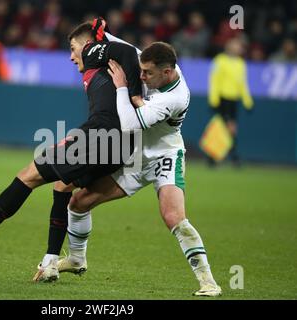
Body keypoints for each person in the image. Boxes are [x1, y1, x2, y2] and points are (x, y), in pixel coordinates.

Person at [0, 21, 142, 275]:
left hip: (102, 137)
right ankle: (51, 261)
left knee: (28, 175)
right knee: (63, 185)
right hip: (120, 145)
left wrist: (135, 95)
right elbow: (108, 109)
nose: (71, 56)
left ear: (88, 45)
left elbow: (129, 52)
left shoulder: (94, 53)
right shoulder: (104, 69)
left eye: (73, 48)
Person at [37, 37, 222, 297]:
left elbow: (128, 124)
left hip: (165, 157)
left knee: (174, 217)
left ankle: (208, 281)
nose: (142, 76)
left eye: (147, 73)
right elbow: (125, 47)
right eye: (141, 70)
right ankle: (78, 259)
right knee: (78, 203)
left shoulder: (175, 98)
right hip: (135, 157)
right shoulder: (156, 69)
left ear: (167, 73)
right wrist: (102, 33)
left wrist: (123, 88)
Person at [208, 37, 254, 166]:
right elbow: (214, 81)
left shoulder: (241, 63)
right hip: (223, 99)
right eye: (237, 45)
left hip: (234, 100)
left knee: (228, 128)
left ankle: (214, 157)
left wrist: (248, 102)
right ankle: (232, 156)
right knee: (228, 128)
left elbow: (243, 84)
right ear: (229, 46)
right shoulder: (220, 61)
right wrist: (214, 99)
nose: (239, 48)